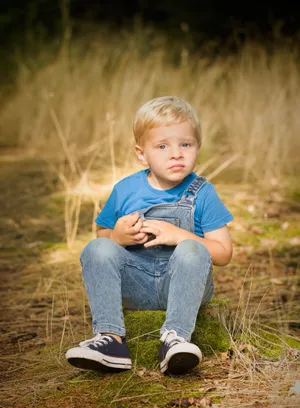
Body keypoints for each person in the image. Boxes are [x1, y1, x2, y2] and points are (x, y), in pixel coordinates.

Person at [66, 96, 233, 375]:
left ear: (197, 148)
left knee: (192, 249)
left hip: (182, 286)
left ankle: (176, 339)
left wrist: (180, 235)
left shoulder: (203, 192)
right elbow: (102, 235)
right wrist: (116, 237)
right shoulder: (125, 189)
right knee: (97, 248)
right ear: (142, 153)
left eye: (185, 144)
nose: (176, 153)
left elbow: (224, 253)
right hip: (135, 283)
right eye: (162, 146)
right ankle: (111, 341)